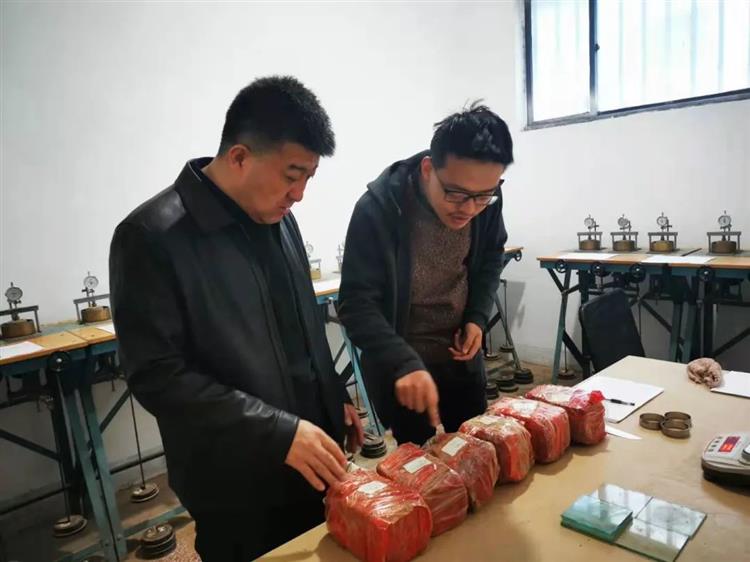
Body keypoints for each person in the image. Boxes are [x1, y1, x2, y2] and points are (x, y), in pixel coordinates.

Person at [109, 75, 363, 561]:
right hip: (236, 482)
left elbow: (300, 325)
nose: (299, 194)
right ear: (240, 157)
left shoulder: (280, 219)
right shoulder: (151, 236)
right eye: (291, 175)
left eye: (309, 178)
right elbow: (157, 376)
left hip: (311, 455)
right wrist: (278, 433)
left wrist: (333, 396)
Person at [338, 103, 513, 446]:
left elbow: (492, 254)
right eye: (456, 194)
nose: (469, 209)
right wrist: (403, 361)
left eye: (483, 197)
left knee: (474, 450)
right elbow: (355, 305)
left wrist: (476, 317)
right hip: (403, 372)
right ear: (429, 169)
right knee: (417, 464)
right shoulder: (379, 209)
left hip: (461, 360)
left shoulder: (486, 196)